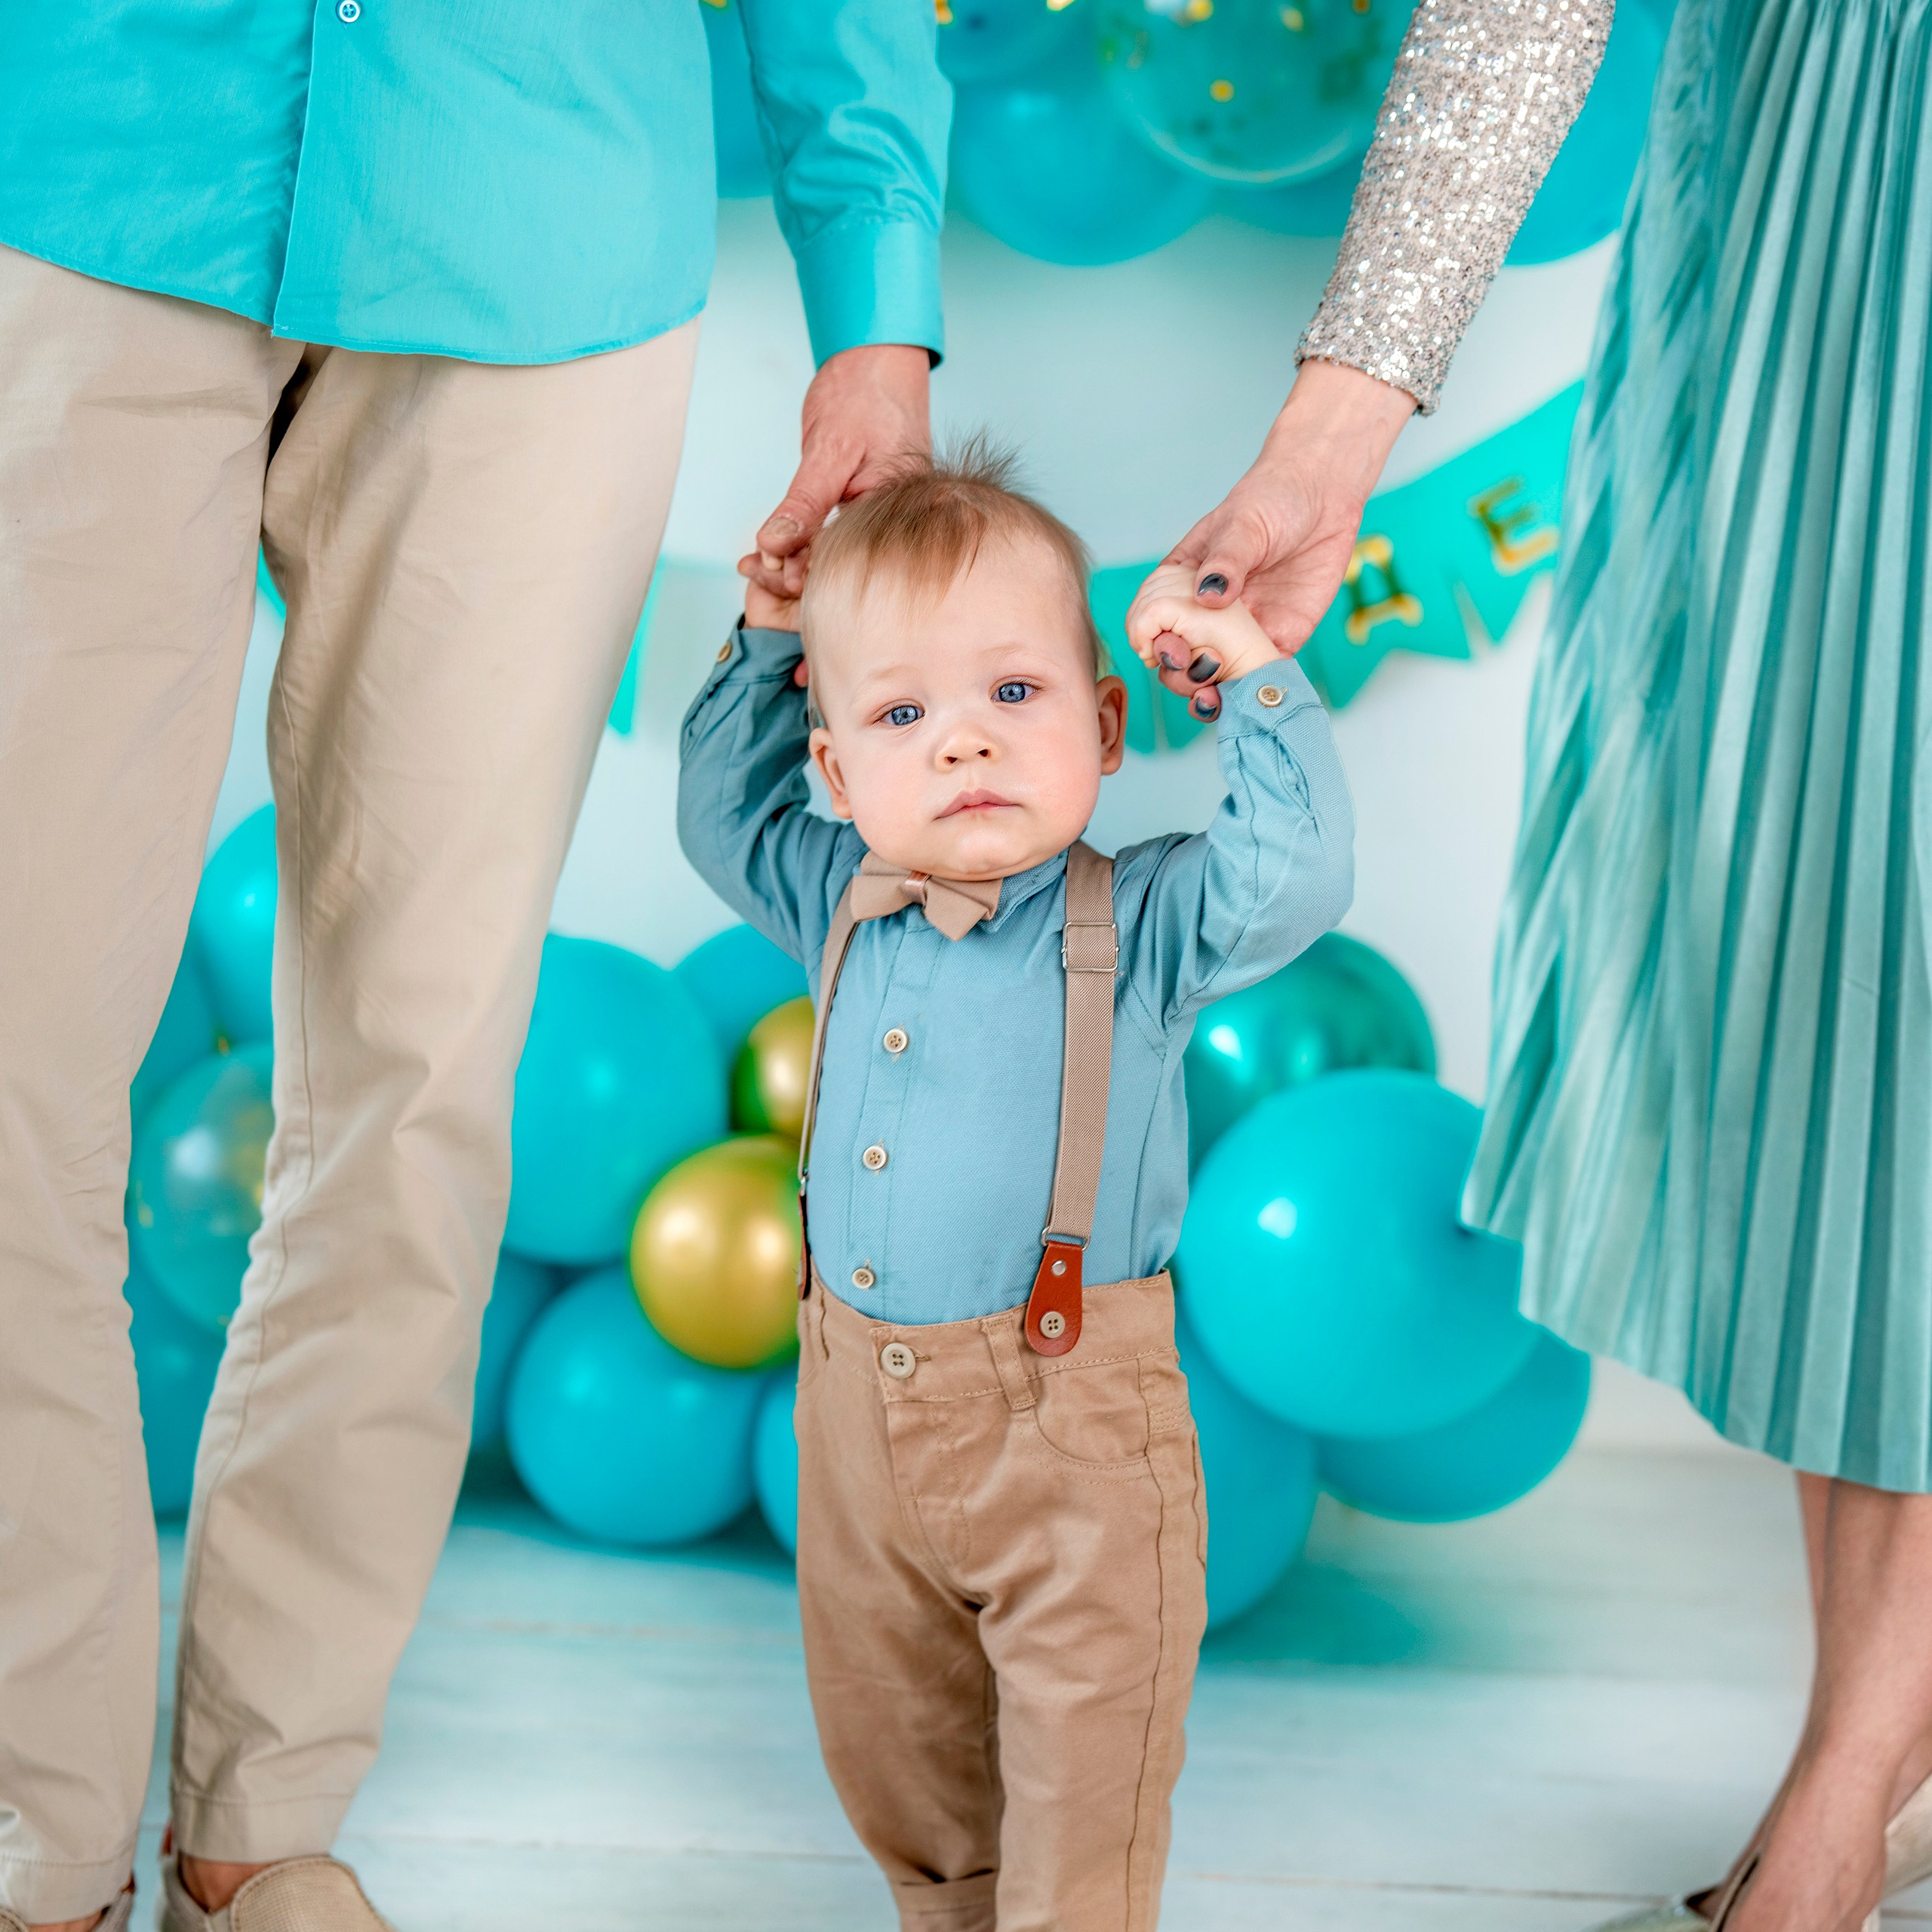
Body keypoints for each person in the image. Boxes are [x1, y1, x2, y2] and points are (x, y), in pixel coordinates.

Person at [0, 8, 948, 1930]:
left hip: (538, 231)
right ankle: (42, 1828)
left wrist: (876, 286)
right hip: (83, 171)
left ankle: (262, 1817)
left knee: (415, 1082)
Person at [1128, 2, 1932, 1929]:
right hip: (1813, 232)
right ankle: (1869, 1754)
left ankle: (1828, 1819)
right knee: (1821, 959)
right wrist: (1326, 448)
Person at [677, 445, 1352, 1930]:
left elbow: (1291, 874)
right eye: (903, 713)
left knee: (1079, 1783)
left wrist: (1248, 680)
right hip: (853, 1417)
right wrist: (769, 633)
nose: (964, 744)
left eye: (1014, 694)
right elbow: (721, 820)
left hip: (1071, 1440)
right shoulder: (831, 891)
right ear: (838, 770)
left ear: (1105, 725)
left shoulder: (1149, 912)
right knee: (898, 1753)